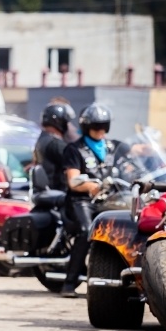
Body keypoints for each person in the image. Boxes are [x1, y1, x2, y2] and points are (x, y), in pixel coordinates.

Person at [60, 103, 130, 298]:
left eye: (104, 126)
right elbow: (73, 181)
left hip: (110, 198)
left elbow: (134, 160)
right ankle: (69, 283)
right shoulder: (74, 149)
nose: (100, 130)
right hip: (82, 200)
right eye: (96, 126)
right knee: (87, 231)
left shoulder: (114, 147)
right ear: (86, 127)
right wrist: (91, 186)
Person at [33, 101, 76, 191]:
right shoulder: (55, 144)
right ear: (60, 121)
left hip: (48, 191)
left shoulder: (42, 139)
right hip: (57, 191)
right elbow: (75, 161)